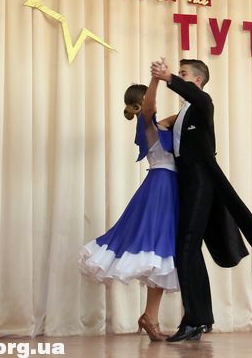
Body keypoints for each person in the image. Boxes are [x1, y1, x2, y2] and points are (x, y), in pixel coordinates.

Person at [150, 58, 252, 342]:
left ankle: (194, 320)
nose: (178, 76)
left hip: (202, 182)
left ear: (197, 81)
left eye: (183, 74)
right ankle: (199, 319)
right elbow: (157, 125)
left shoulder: (203, 103)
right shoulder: (182, 114)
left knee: (186, 247)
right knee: (189, 250)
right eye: (177, 73)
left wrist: (168, 78)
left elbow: (196, 97)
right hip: (187, 184)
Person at [78, 78, 178, 342]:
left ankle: (150, 317)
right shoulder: (146, 124)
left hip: (168, 188)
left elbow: (172, 118)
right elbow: (151, 110)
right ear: (142, 103)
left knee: (161, 255)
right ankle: (150, 317)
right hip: (160, 189)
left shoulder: (158, 125)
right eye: (149, 99)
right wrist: (156, 80)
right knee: (157, 250)